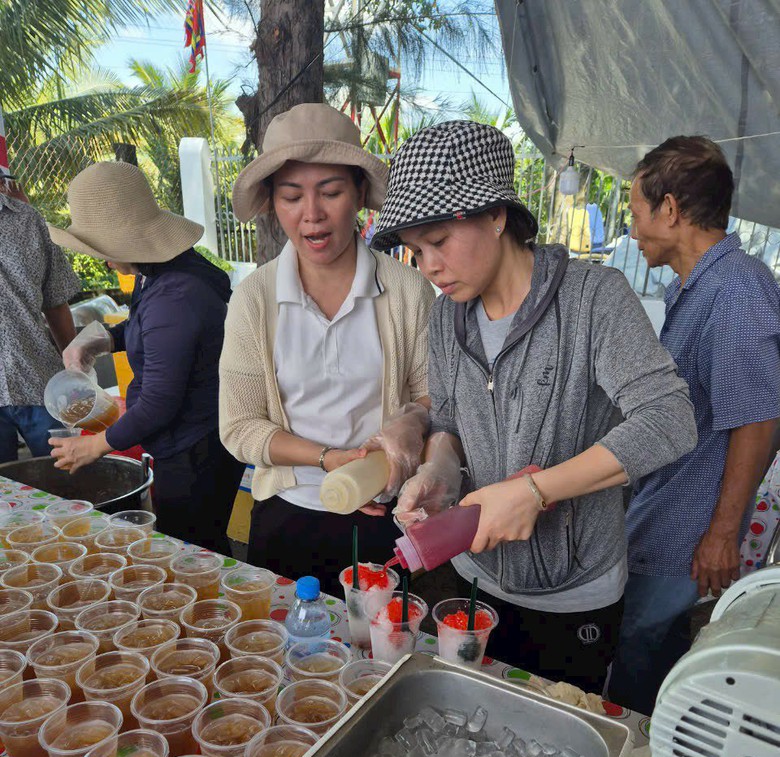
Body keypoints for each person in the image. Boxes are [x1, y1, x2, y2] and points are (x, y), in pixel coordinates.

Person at [371, 120, 697, 690]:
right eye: (415, 250)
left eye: (440, 242)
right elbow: (447, 419)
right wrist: (438, 473)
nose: (428, 267)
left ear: (497, 215)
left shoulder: (594, 298)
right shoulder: (448, 316)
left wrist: (535, 491)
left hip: (575, 594)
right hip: (476, 576)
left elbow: (669, 421)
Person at [219, 103, 435, 594]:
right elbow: (239, 427)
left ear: (360, 193)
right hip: (286, 513)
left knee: (378, 649)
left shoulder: (406, 291)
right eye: (291, 196)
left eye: (331, 192)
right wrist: (326, 458)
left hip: (383, 516)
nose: (311, 215)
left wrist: (404, 431)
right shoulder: (255, 298)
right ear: (273, 202)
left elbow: (434, 396)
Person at [610, 136, 780, 714]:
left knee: (634, 659)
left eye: (636, 214)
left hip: (689, 530)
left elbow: (757, 418)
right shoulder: (696, 285)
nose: (632, 229)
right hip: (664, 515)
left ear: (671, 210)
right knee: (649, 657)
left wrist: (721, 534)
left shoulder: (738, 289)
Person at [48, 162, 244, 555]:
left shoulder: (176, 296)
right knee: (201, 544)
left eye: (103, 250)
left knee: (192, 551)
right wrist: (101, 339)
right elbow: (150, 333)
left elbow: (158, 402)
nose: (104, 261)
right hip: (199, 437)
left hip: (195, 449)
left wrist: (94, 446)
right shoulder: (162, 270)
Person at [0, 174, 80, 461]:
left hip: (39, 383)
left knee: (67, 483)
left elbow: (56, 300)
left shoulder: (28, 220)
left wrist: (75, 366)